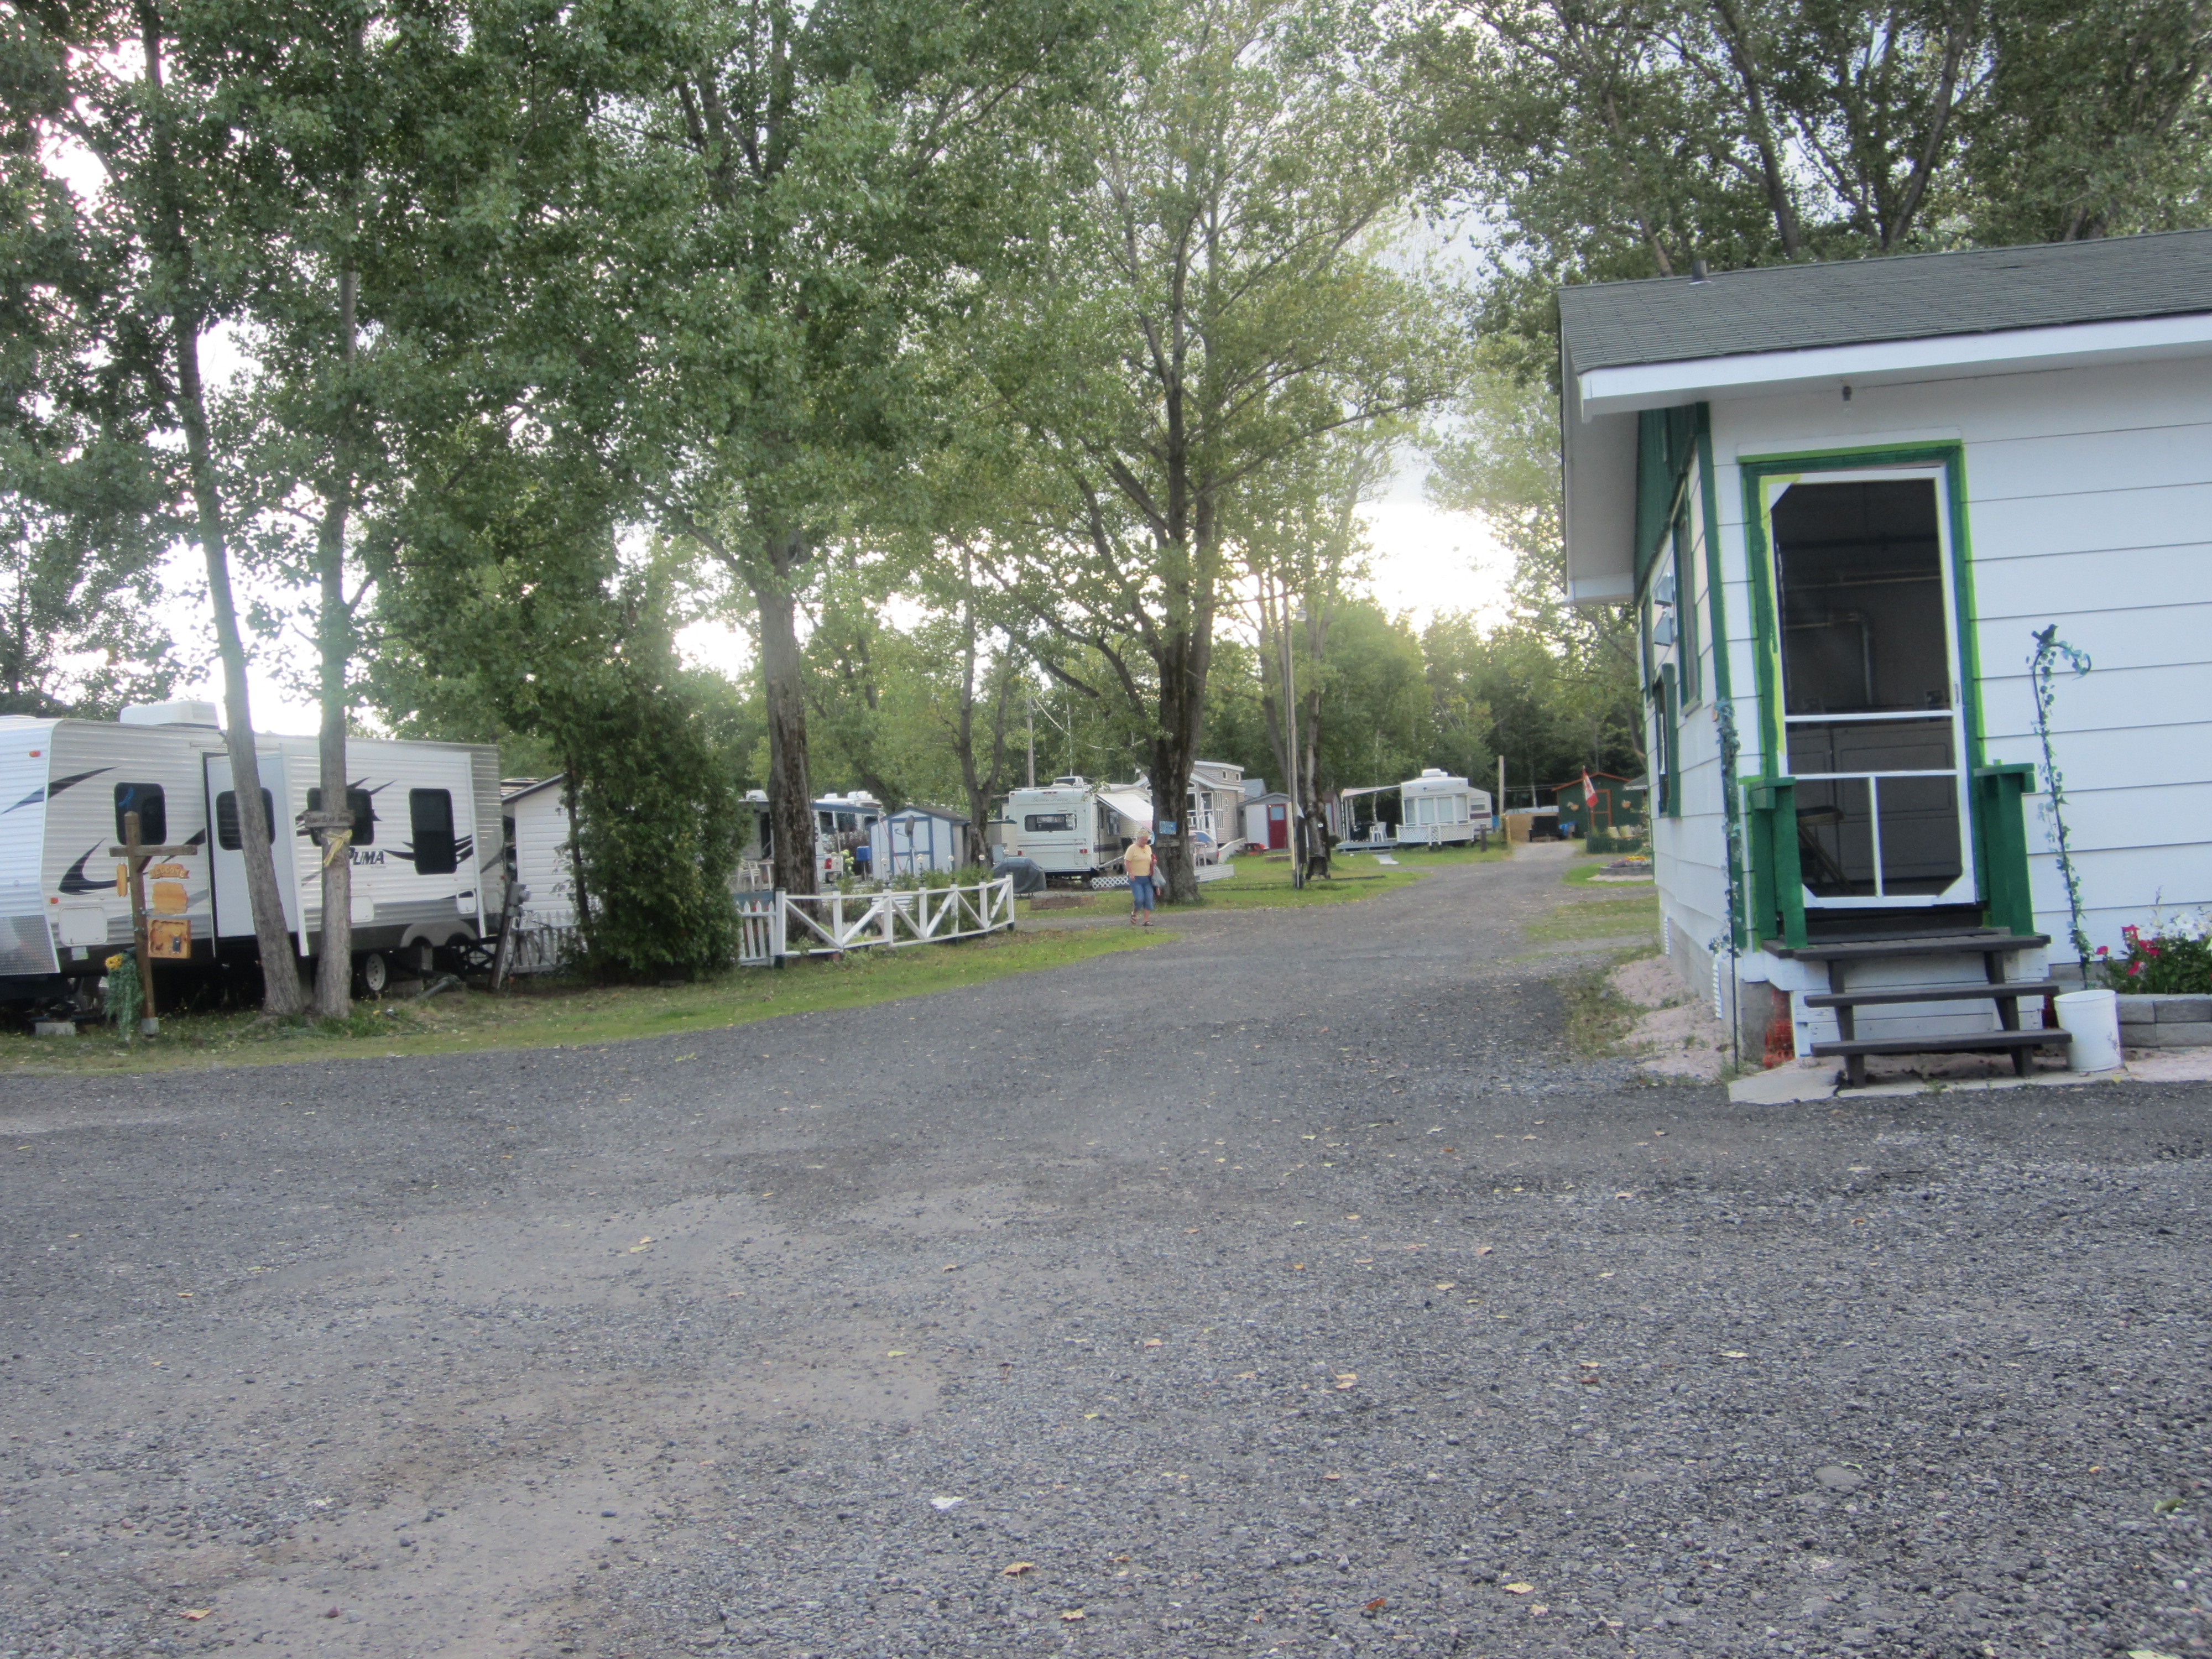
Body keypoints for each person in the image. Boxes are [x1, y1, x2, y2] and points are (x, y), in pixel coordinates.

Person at [1124, 832, 1157, 927]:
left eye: (1146, 840)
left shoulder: (1148, 848)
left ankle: (1146, 921)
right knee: (1139, 899)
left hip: (1147, 877)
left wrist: (1153, 862)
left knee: (1149, 899)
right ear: (1138, 839)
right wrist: (1131, 873)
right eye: (1143, 840)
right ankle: (1134, 912)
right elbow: (1127, 861)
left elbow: (1150, 859)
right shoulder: (1132, 849)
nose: (1145, 842)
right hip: (1136, 878)